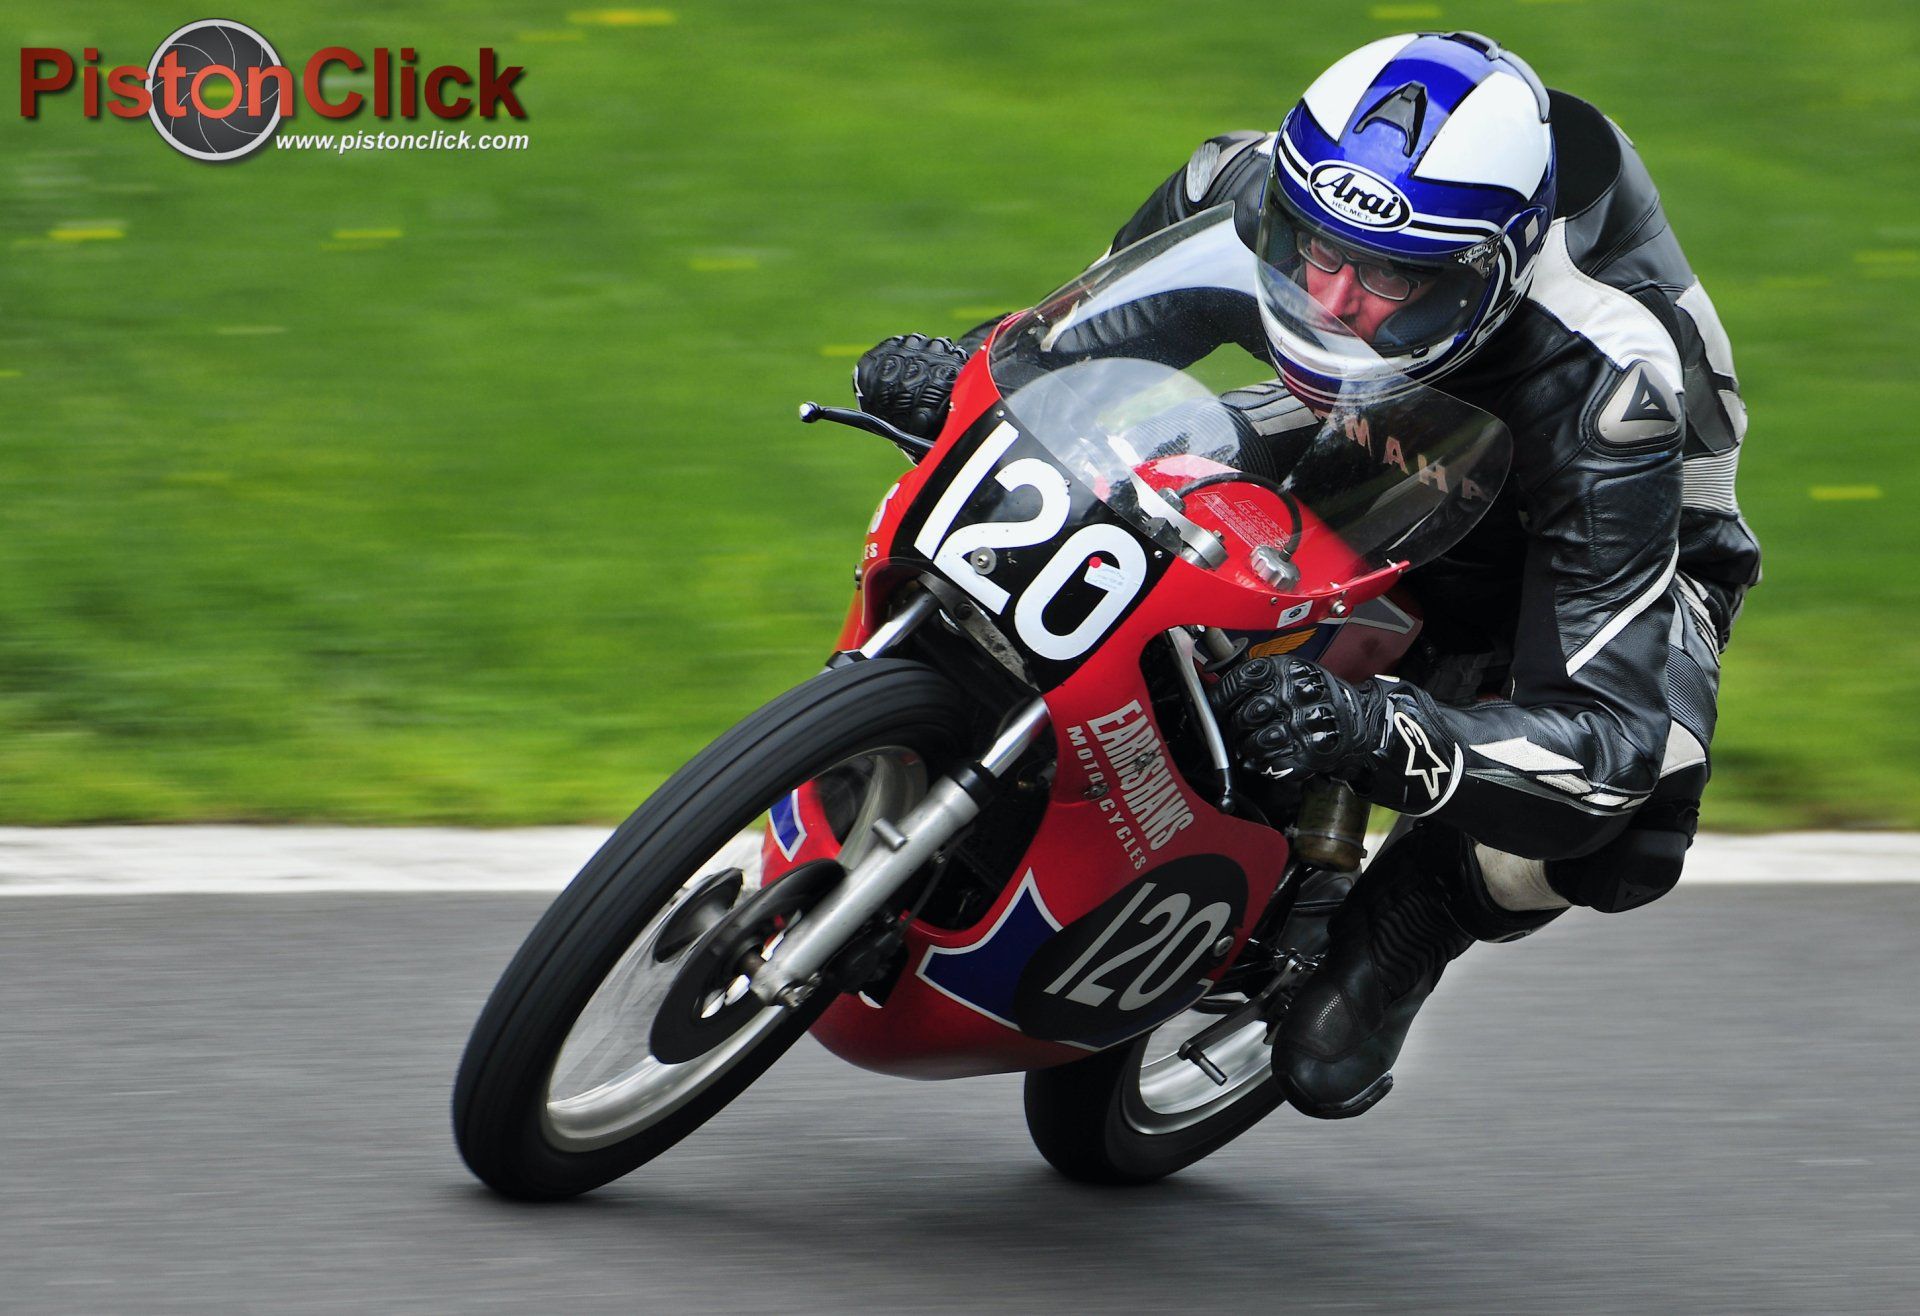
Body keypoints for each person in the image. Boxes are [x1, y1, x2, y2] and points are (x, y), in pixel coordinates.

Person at [852, 31, 1760, 1119]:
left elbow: (1604, 740)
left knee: (1634, 813)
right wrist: (962, 378)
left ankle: (1414, 919)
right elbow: (1071, 351)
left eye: (1392, 274)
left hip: (1588, 538)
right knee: (1129, 482)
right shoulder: (1245, 186)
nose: (1332, 296)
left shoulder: (1611, 376)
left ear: (1491, 271)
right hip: (1365, 426)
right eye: (1311, 247)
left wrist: (1381, 730)